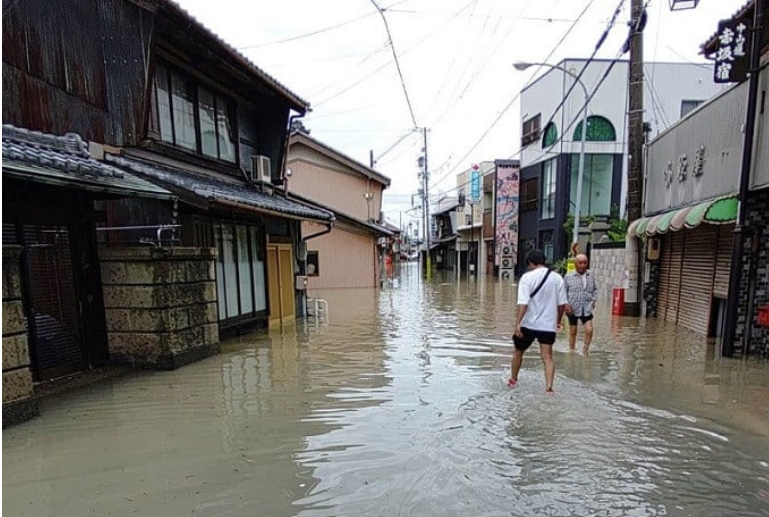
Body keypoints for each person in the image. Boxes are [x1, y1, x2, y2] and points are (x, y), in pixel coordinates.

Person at [509, 249, 568, 393]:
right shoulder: (557, 278)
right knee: (548, 357)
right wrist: (558, 321)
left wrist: (518, 323)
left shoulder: (527, 278)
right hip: (548, 325)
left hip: (528, 324)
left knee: (518, 351)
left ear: (530, 262)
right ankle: (549, 388)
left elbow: (523, 303)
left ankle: (513, 380)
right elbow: (562, 305)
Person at [563, 254, 598, 353]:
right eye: (580, 263)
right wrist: (566, 304)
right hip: (573, 307)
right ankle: (572, 349)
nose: (582, 265)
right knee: (573, 331)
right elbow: (563, 292)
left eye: (585, 263)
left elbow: (595, 289)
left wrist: (594, 300)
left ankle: (585, 349)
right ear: (575, 264)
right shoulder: (568, 276)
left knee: (589, 330)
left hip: (586, 307)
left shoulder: (590, 276)